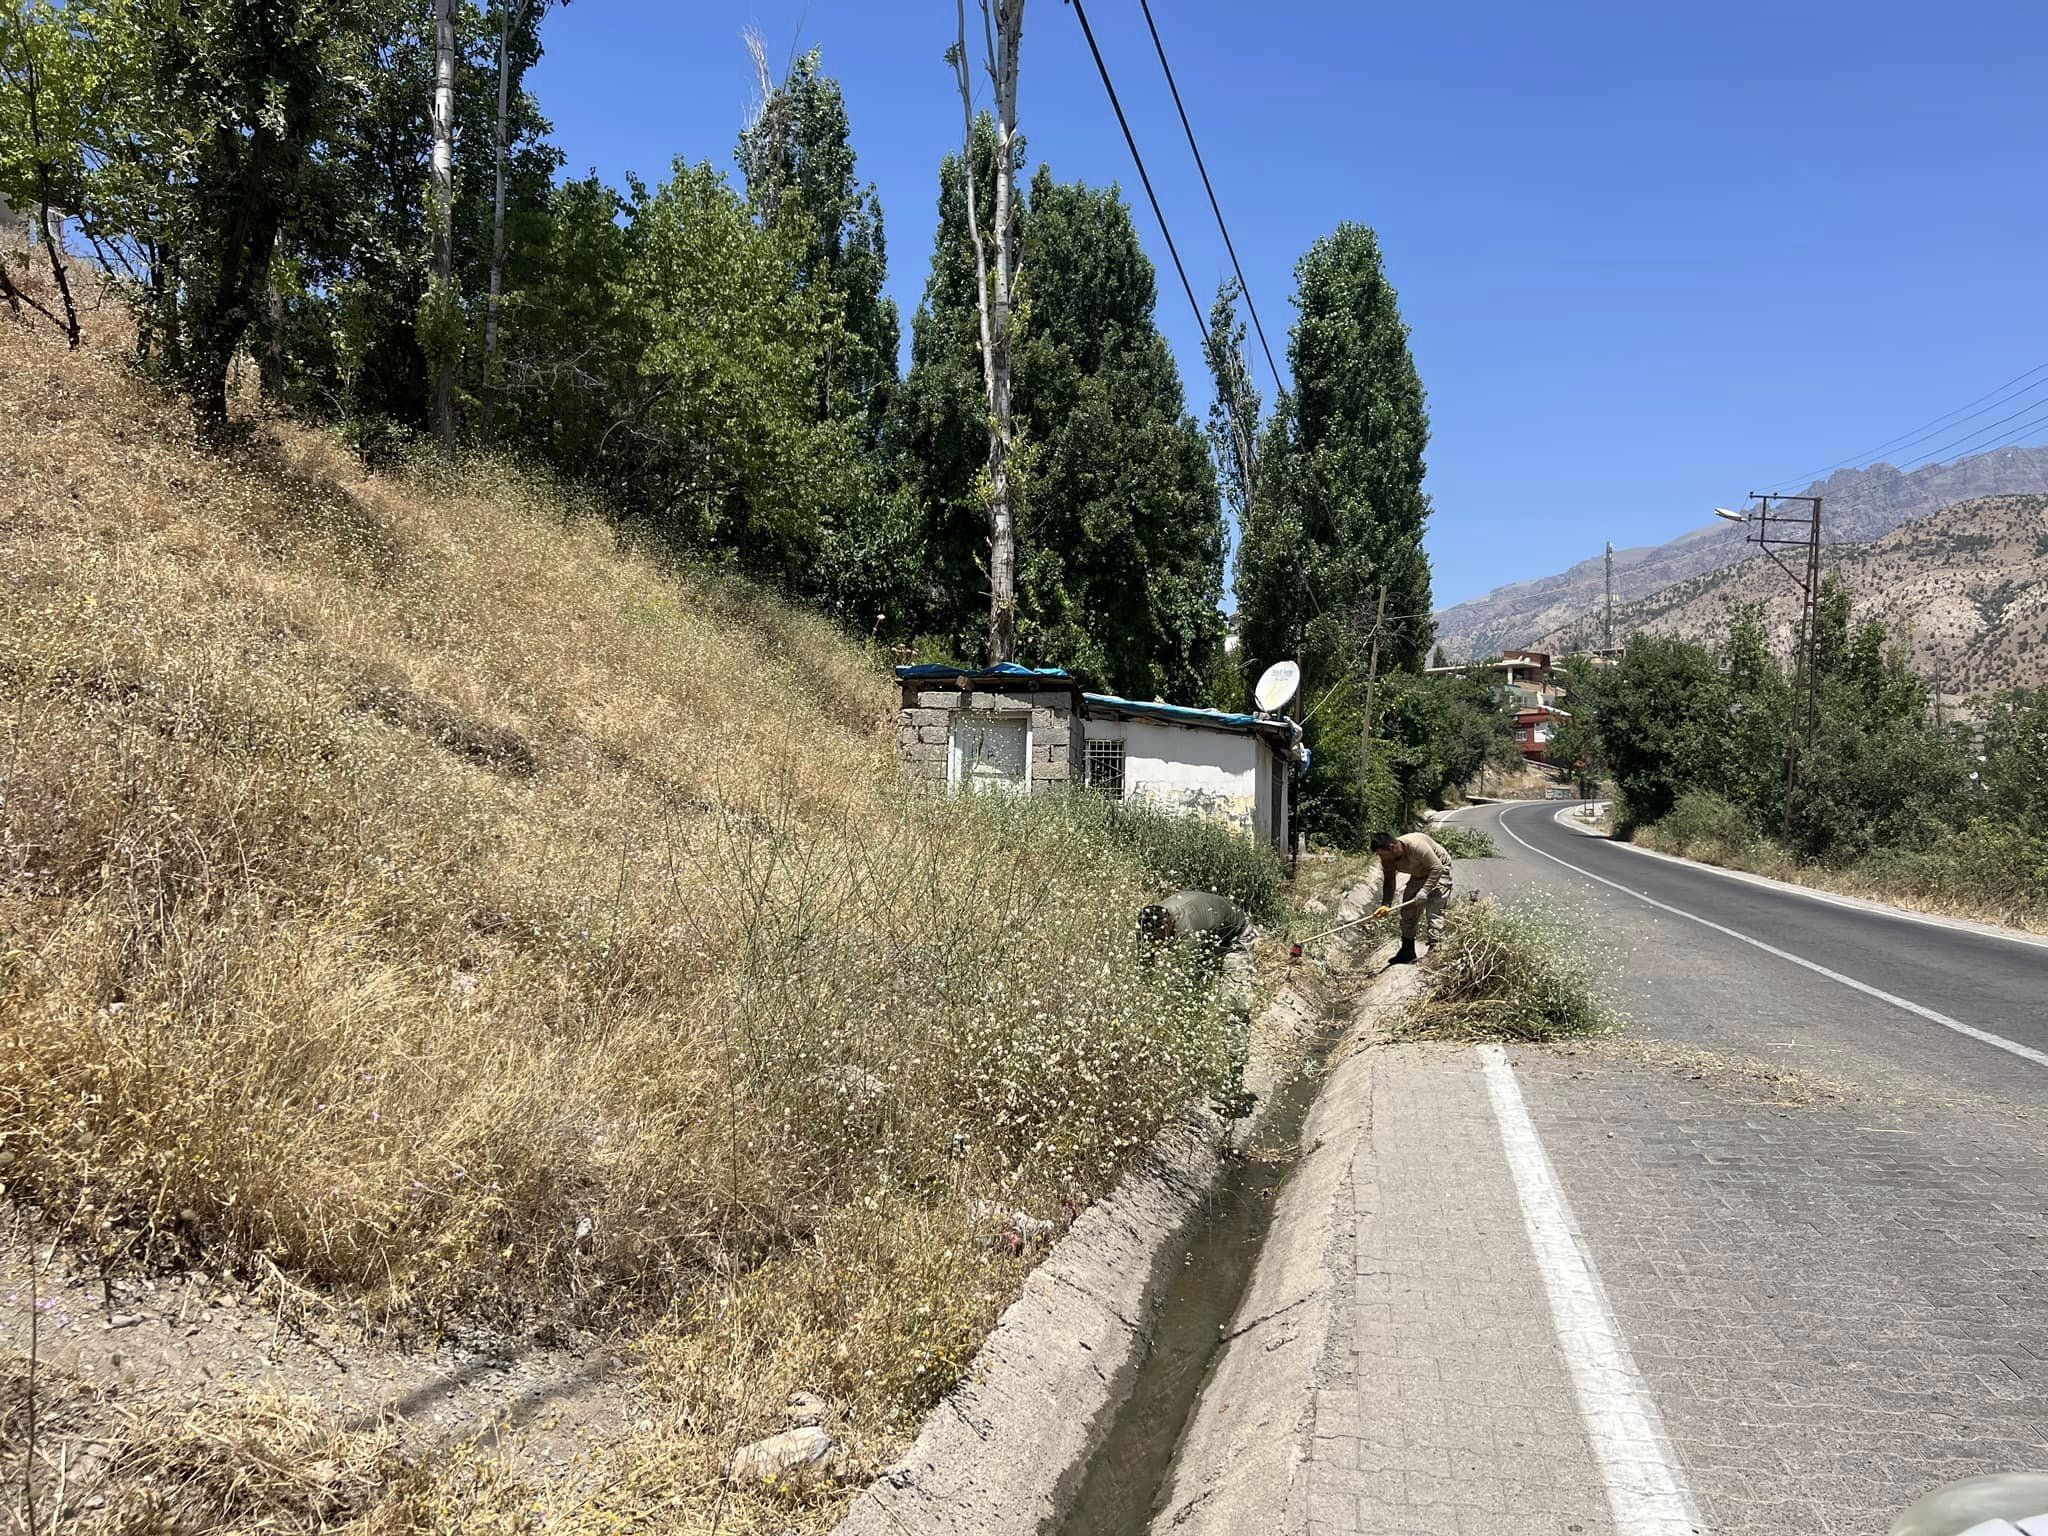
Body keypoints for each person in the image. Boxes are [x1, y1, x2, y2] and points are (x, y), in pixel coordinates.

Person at [1370, 828, 1452, 965]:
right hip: (1419, 875)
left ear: (1392, 848)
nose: (1381, 858)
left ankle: (1435, 951)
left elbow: (1437, 867)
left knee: (1434, 911)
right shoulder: (1388, 859)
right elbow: (1389, 880)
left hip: (1439, 871)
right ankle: (1407, 950)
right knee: (1408, 910)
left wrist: (1425, 891)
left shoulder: (1416, 845)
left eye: (1382, 854)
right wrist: (1386, 904)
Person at [1137, 889, 1249, 952]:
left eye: (1157, 937)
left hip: (1237, 930)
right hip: (1209, 930)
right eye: (1150, 937)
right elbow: (1144, 959)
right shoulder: (1146, 921)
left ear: (1169, 923)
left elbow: (1188, 973)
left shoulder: (1188, 928)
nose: (1155, 941)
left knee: (1233, 984)